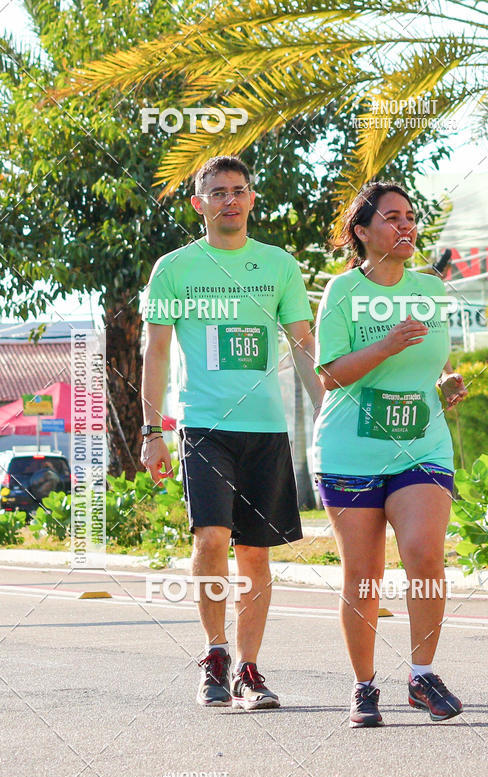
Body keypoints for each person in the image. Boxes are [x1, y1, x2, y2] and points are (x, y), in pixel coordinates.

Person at [140, 155, 323, 711]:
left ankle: (248, 669)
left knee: (257, 555)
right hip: (204, 426)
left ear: (250, 199)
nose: (230, 200)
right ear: (200, 204)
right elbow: (157, 350)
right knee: (212, 538)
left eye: (239, 190)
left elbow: (304, 345)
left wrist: (327, 414)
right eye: (217, 192)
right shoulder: (174, 268)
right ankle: (214, 654)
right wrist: (152, 431)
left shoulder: (278, 266)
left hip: (267, 430)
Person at [312, 181, 468, 728]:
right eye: (392, 218)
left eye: (410, 217)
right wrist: (385, 344)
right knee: (364, 575)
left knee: (425, 555)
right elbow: (329, 374)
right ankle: (363, 686)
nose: (406, 227)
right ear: (363, 232)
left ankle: (422, 675)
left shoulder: (431, 288)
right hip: (350, 448)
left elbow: (430, 364)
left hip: (421, 444)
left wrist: (446, 382)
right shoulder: (342, 291)